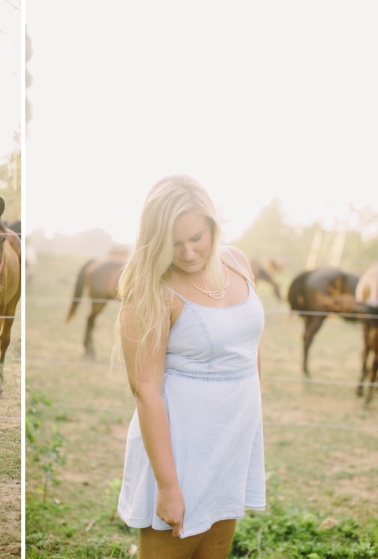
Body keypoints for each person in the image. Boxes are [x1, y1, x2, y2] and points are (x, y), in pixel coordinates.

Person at [113, 175, 266, 558]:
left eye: (196, 237)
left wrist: (249, 429)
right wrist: (168, 486)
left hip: (231, 439)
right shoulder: (153, 289)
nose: (188, 252)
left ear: (213, 225)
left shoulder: (237, 262)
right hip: (181, 449)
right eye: (173, 243)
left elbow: (250, 348)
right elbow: (146, 392)